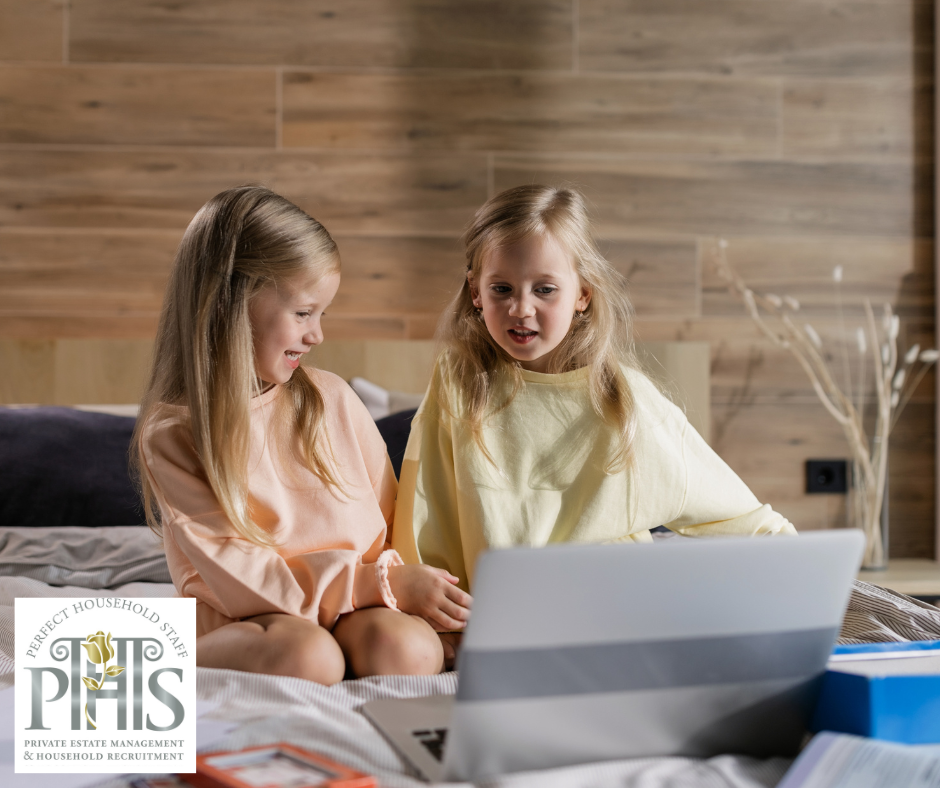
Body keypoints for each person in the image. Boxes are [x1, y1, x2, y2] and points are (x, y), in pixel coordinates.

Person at [393, 183, 797, 609]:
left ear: (582, 293)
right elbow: (424, 516)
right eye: (502, 289)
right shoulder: (459, 380)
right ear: (476, 292)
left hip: (615, 610)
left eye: (544, 289)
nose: (521, 309)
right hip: (501, 615)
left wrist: (803, 570)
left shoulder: (626, 400)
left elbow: (738, 518)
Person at [132, 186, 471, 685]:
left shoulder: (332, 396)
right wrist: (371, 582)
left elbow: (393, 522)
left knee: (411, 653)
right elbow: (246, 578)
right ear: (230, 303)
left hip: (356, 602)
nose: (317, 335)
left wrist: (421, 603)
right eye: (302, 313)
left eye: (322, 314)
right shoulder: (175, 435)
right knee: (310, 657)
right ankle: (155, 656)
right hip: (251, 613)